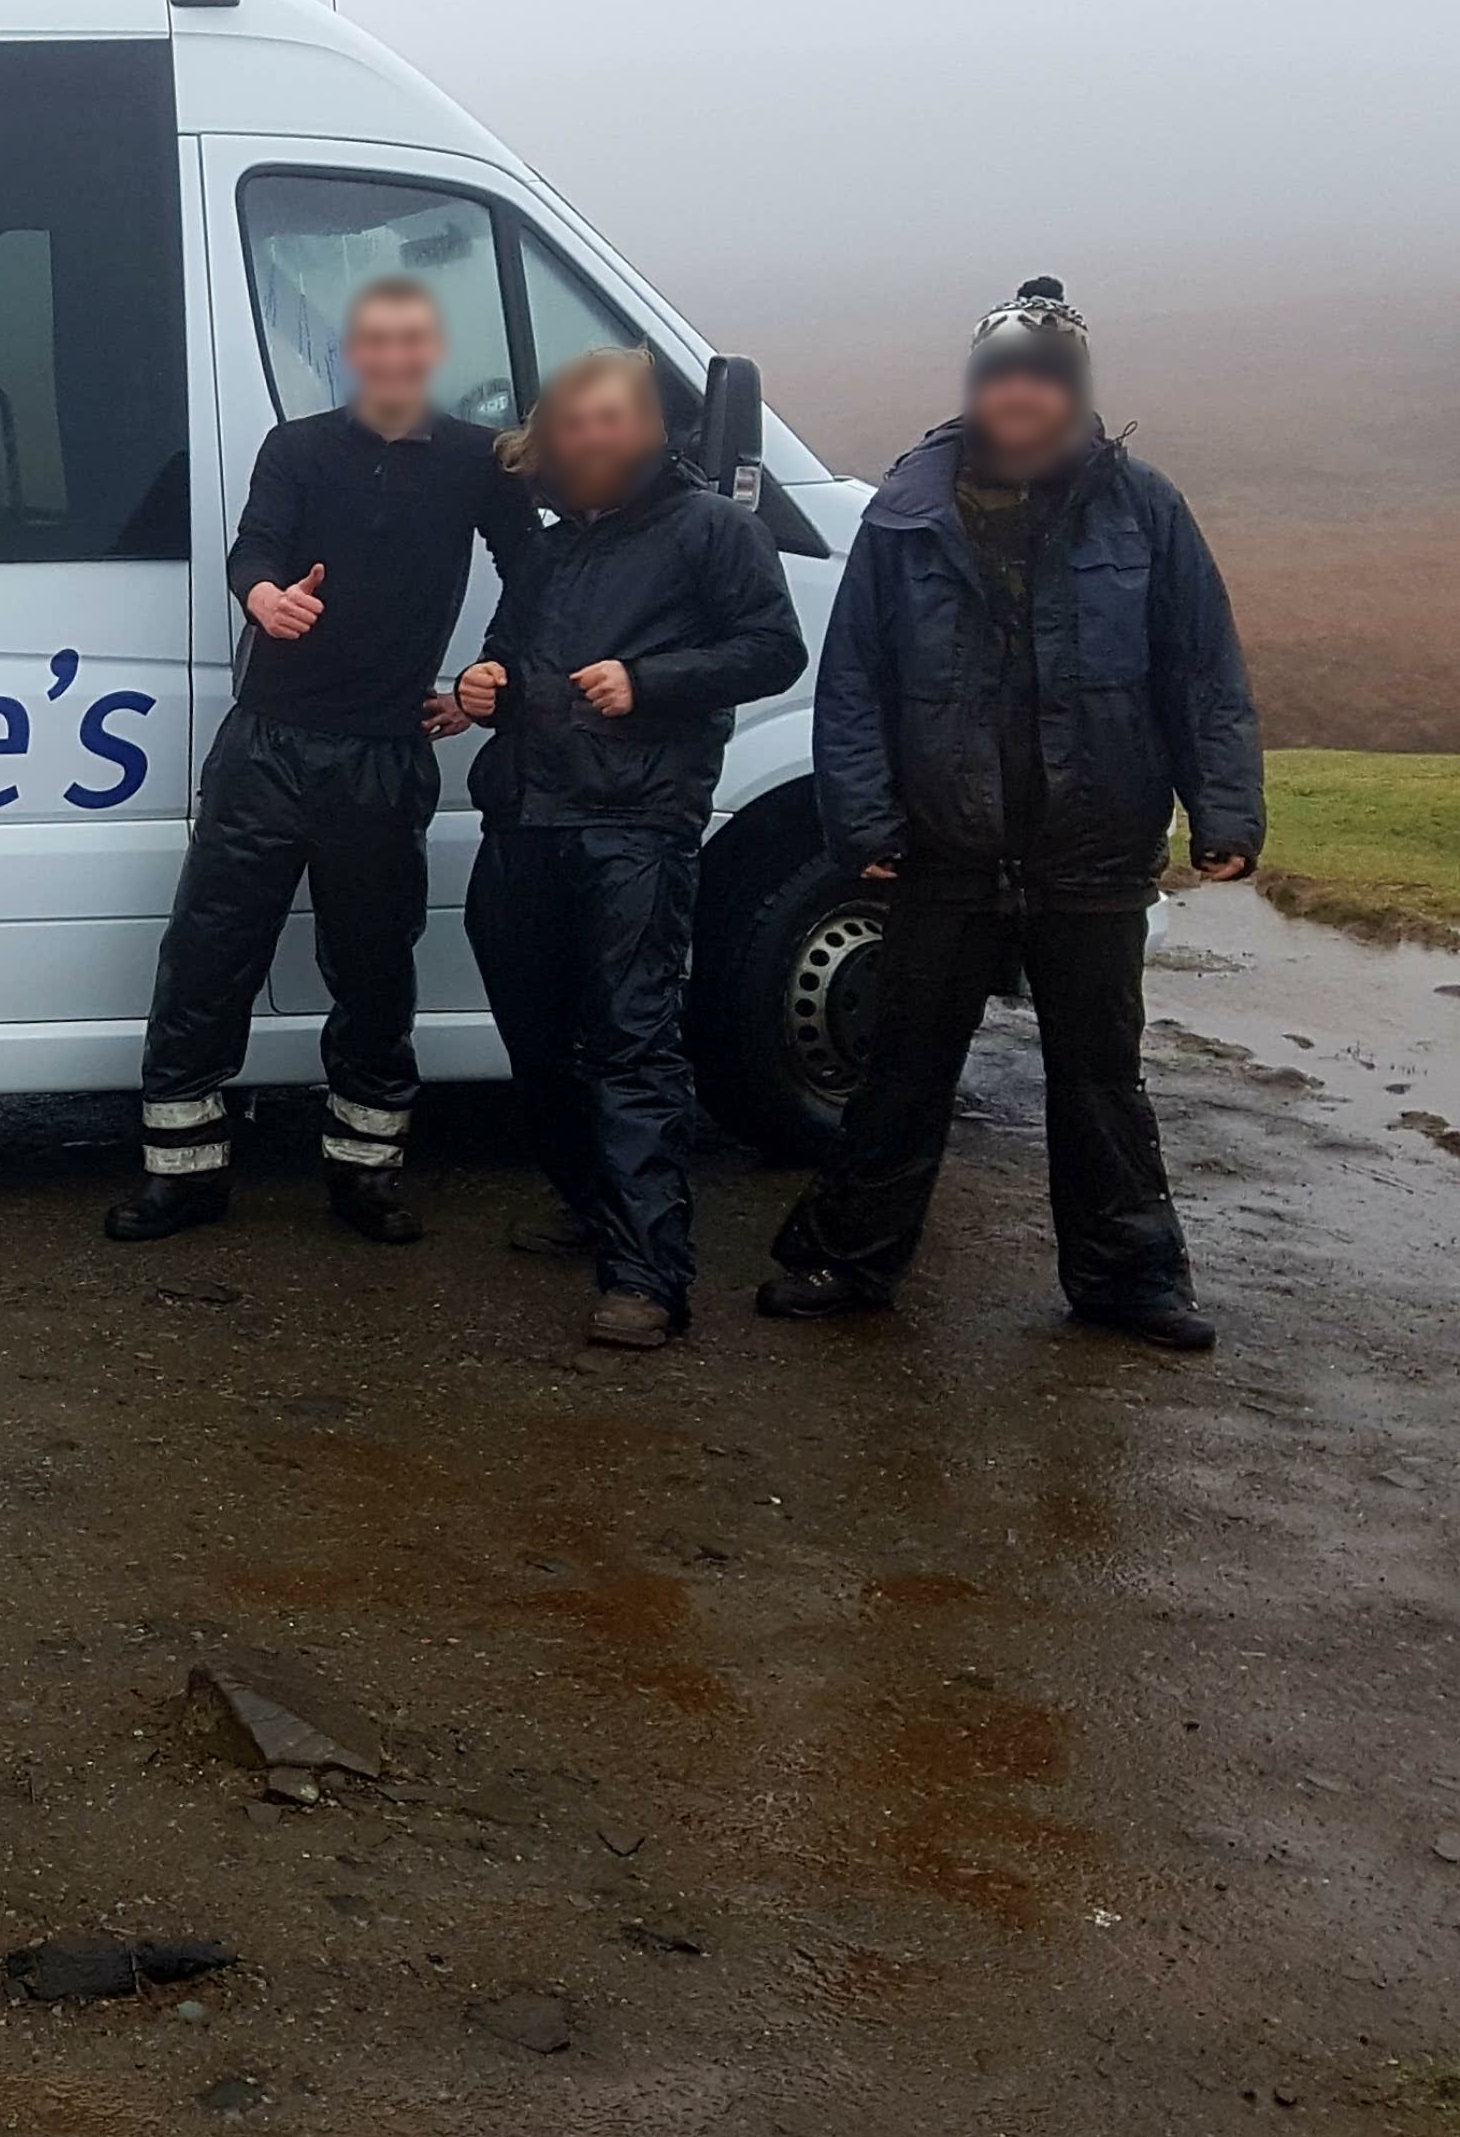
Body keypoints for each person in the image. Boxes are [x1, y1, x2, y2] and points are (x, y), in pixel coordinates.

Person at [759, 278, 1261, 1349]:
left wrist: (1227, 810)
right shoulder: (904, 516)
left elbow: (1201, 670)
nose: (1023, 397)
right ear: (979, 391)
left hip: (1094, 849)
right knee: (901, 1071)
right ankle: (847, 1262)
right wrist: (865, 823)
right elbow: (854, 685)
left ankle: (1128, 1280)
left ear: (1075, 393)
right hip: (944, 848)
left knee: (1099, 1081)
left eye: (1046, 379)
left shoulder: (1148, 510)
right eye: (1005, 378)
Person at [106, 276, 533, 1250]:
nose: (391, 357)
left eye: (410, 341)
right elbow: (251, 549)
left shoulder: (477, 462)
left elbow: (535, 570)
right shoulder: (295, 449)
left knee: (376, 977)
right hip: (267, 745)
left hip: (384, 755)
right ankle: (185, 1178)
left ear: (432, 354)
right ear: (351, 354)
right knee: (207, 961)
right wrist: (263, 596)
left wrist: (490, 671)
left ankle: (365, 1173)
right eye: (373, 341)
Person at [452, 344, 807, 1348]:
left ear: (651, 428)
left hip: (636, 827)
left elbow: (775, 650)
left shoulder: (716, 529)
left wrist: (649, 681)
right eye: (575, 421)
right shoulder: (552, 548)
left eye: (613, 416)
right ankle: (590, 1200)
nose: (593, 436)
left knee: (632, 1045)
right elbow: (515, 655)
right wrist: (490, 686)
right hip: (525, 817)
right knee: (533, 1036)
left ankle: (649, 1276)